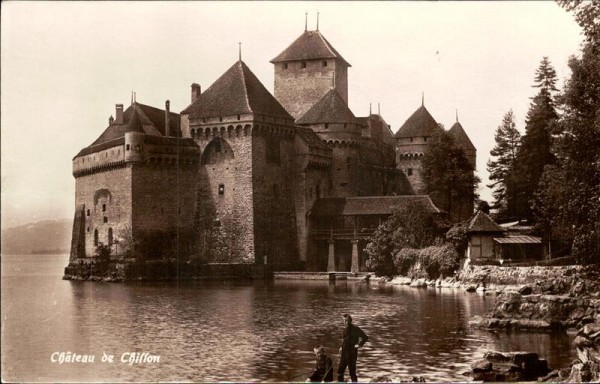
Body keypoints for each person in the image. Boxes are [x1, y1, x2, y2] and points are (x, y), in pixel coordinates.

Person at [337, 314, 368, 383]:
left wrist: (359, 345)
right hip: (344, 354)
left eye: (347, 321)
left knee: (352, 373)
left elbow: (365, 337)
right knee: (339, 372)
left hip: (352, 354)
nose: (346, 322)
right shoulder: (344, 329)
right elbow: (344, 340)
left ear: (350, 321)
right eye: (344, 321)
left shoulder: (356, 329)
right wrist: (341, 347)